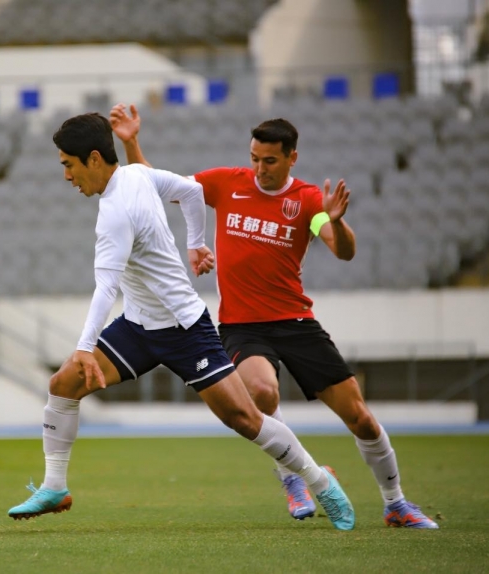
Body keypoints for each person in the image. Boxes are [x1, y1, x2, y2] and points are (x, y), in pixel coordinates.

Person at [7, 113, 356, 531]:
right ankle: (54, 487)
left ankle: (321, 483)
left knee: (244, 419)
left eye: (68, 164)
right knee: (63, 385)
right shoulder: (138, 175)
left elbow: (105, 287)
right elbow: (191, 191)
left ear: (94, 159)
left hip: (185, 328)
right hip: (138, 327)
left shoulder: (115, 212)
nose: (65, 175)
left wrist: (85, 347)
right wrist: (195, 244)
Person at [109, 103, 438, 529]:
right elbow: (155, 186)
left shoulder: (307, 201)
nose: (260, 168)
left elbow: (343, 250)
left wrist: (336, 223)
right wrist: (132, 141)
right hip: (242, 325)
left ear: (291, 158)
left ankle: (396, 504)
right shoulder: (228, 183)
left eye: (269, 161)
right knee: (261, 391)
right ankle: (294, 475)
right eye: (255, 159)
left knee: (360, 417)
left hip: (296, 323)